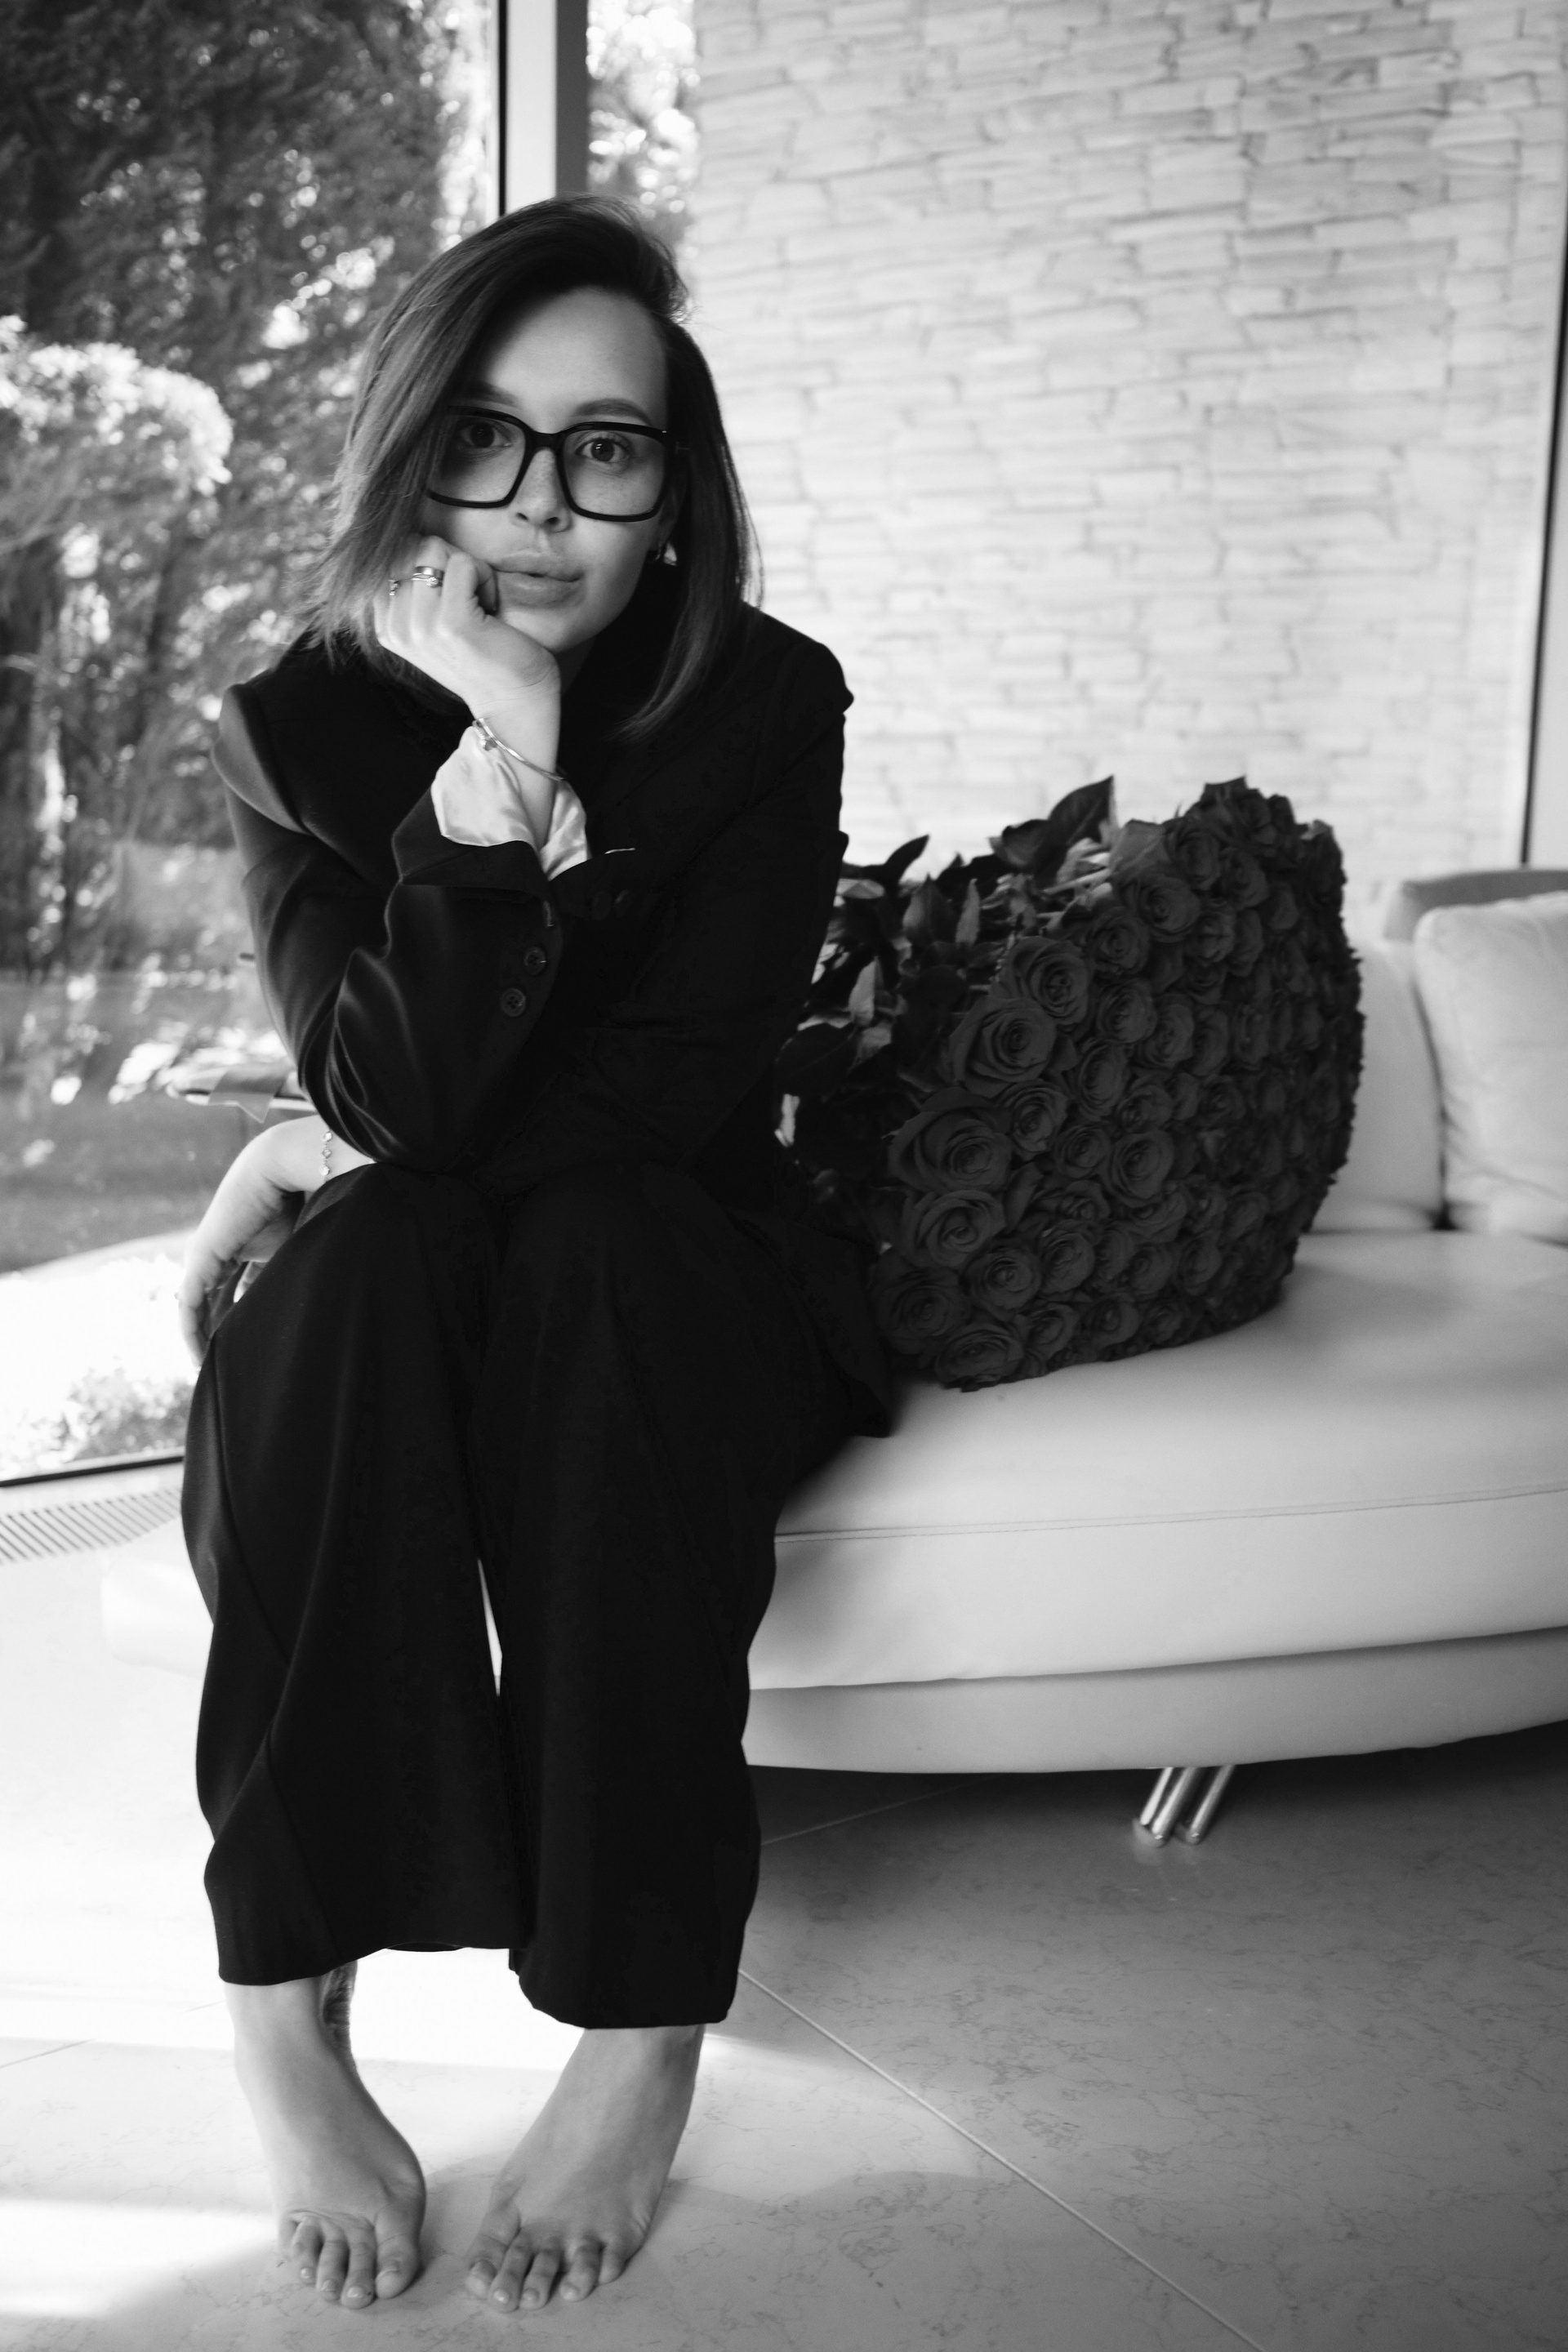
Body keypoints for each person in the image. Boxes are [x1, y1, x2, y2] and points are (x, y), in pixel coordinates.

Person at [177, 196, 889, 2319]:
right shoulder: (298, 725)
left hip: (669, 1268)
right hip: (424, 1265)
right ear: (411, 457)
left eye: (608, 447)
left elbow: (668, 1099)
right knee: (365, 1270)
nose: (543, 505)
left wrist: (316, 1133)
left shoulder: (767, 704)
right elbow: (393, 1099)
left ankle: (640, 2018)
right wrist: (496, 775)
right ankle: (285, 1996)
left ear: (679, 486)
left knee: (583, 1244)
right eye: (485, 440)